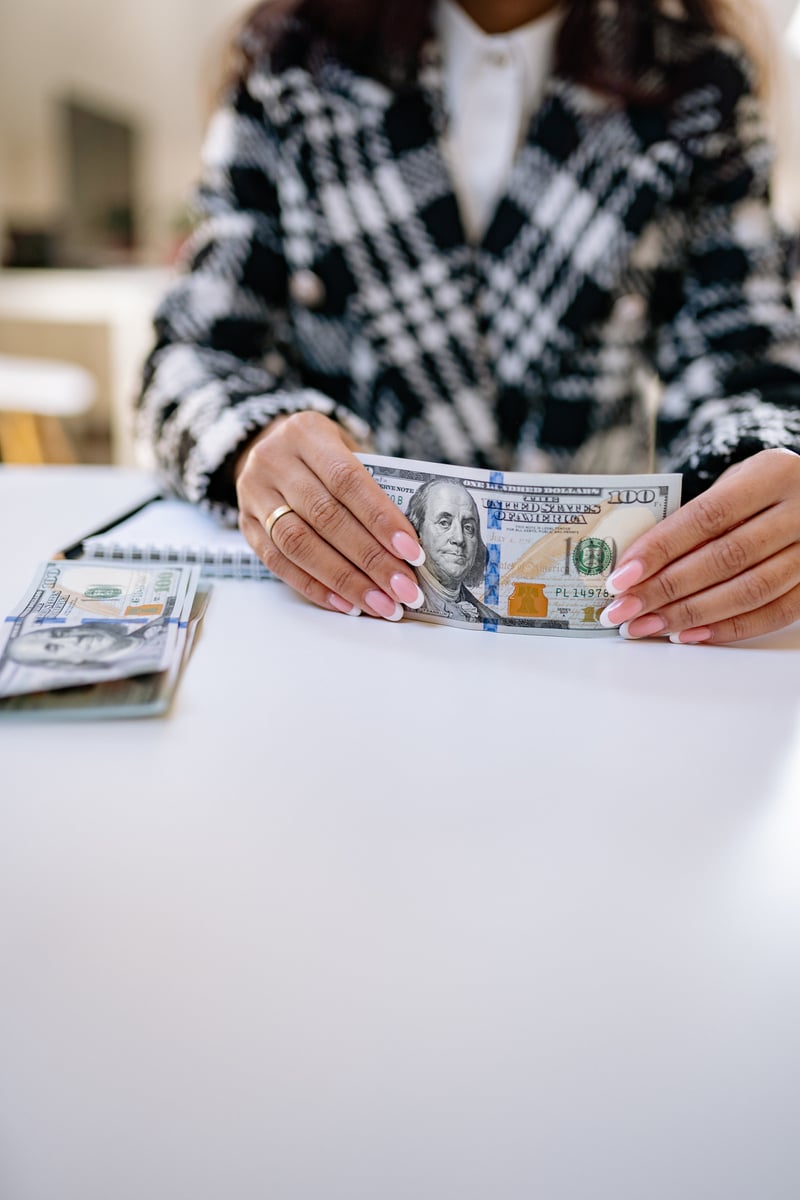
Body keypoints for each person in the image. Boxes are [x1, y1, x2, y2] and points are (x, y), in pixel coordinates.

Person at [137, 0, 800, 644]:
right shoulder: (295, 63)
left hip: (598, 632)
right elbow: (192, 357)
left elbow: (745, 365)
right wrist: (257, 445)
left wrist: (766, 475)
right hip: (345, 628)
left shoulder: (695, 78)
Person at [406, 478, 496, 621]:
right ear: (418, 530)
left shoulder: (489, 618)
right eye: (444, 523)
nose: (459, 538)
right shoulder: (401, 603)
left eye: (468, 528)